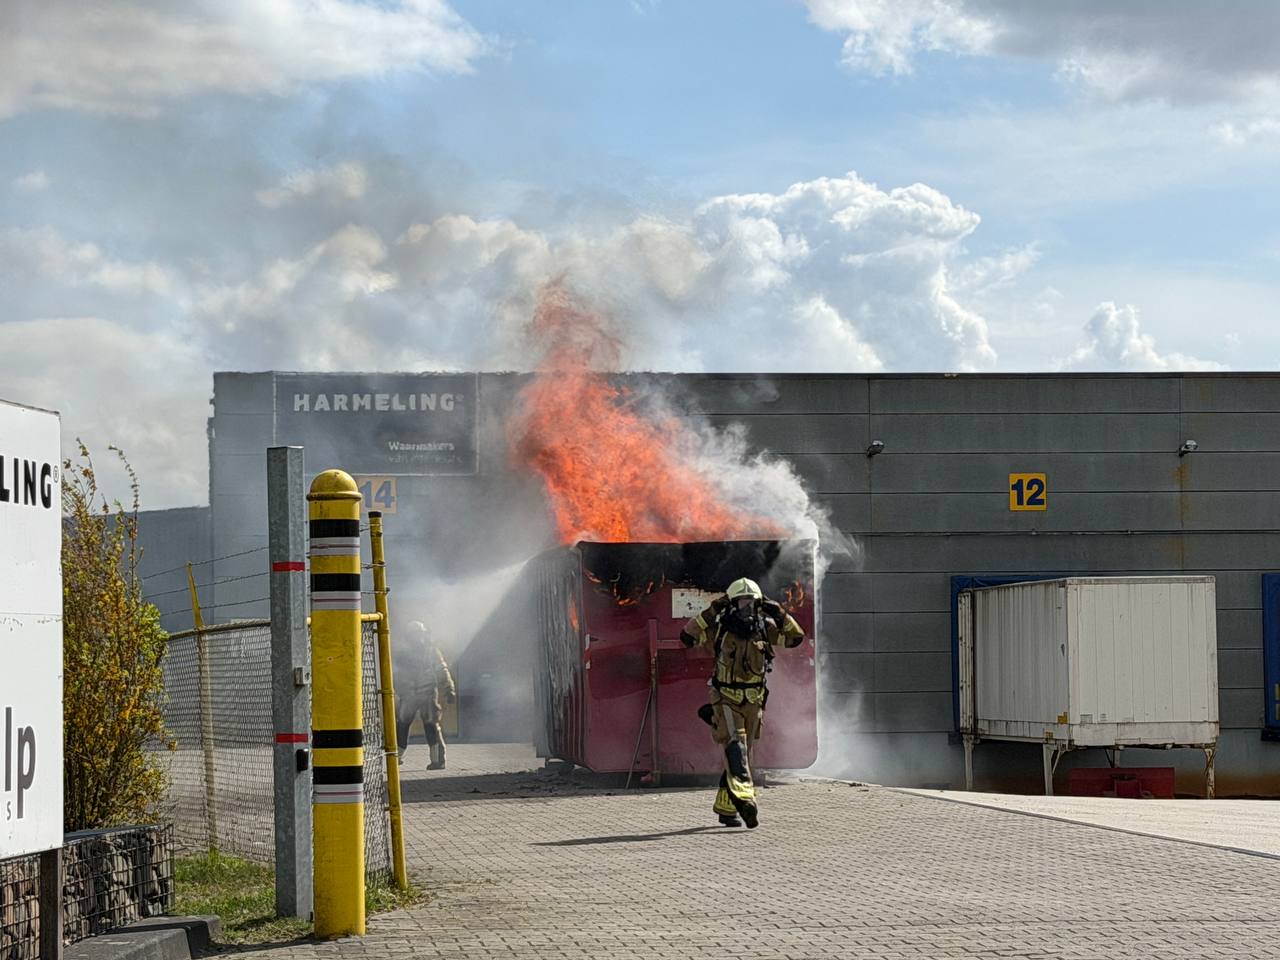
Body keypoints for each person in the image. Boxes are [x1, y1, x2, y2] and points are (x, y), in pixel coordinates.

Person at [680, 577, 805, 829]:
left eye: (751, 603)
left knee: (744, 754)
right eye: (741, 603)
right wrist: (712, 610)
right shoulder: (720, 629)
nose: (746, 608)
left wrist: (779, 613)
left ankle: (726, 809)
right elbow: (687, 637)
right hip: (726, 697)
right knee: (736, 749)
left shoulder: (765, 629)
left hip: (754, 700)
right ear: (731, 605)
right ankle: (747, 802)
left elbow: (795, 638)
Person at [393, 620, 456, 769]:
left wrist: (449, 689)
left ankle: (438, 760)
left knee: (430, 725)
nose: (416, 638)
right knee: (402, 724)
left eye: (418, 634)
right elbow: (395, 673)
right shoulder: (403, 654)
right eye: (413, 635)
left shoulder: (431, 651)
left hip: (426, 694)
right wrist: (398, 689)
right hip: (409, 694)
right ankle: (396, 757)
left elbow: (442, 669)